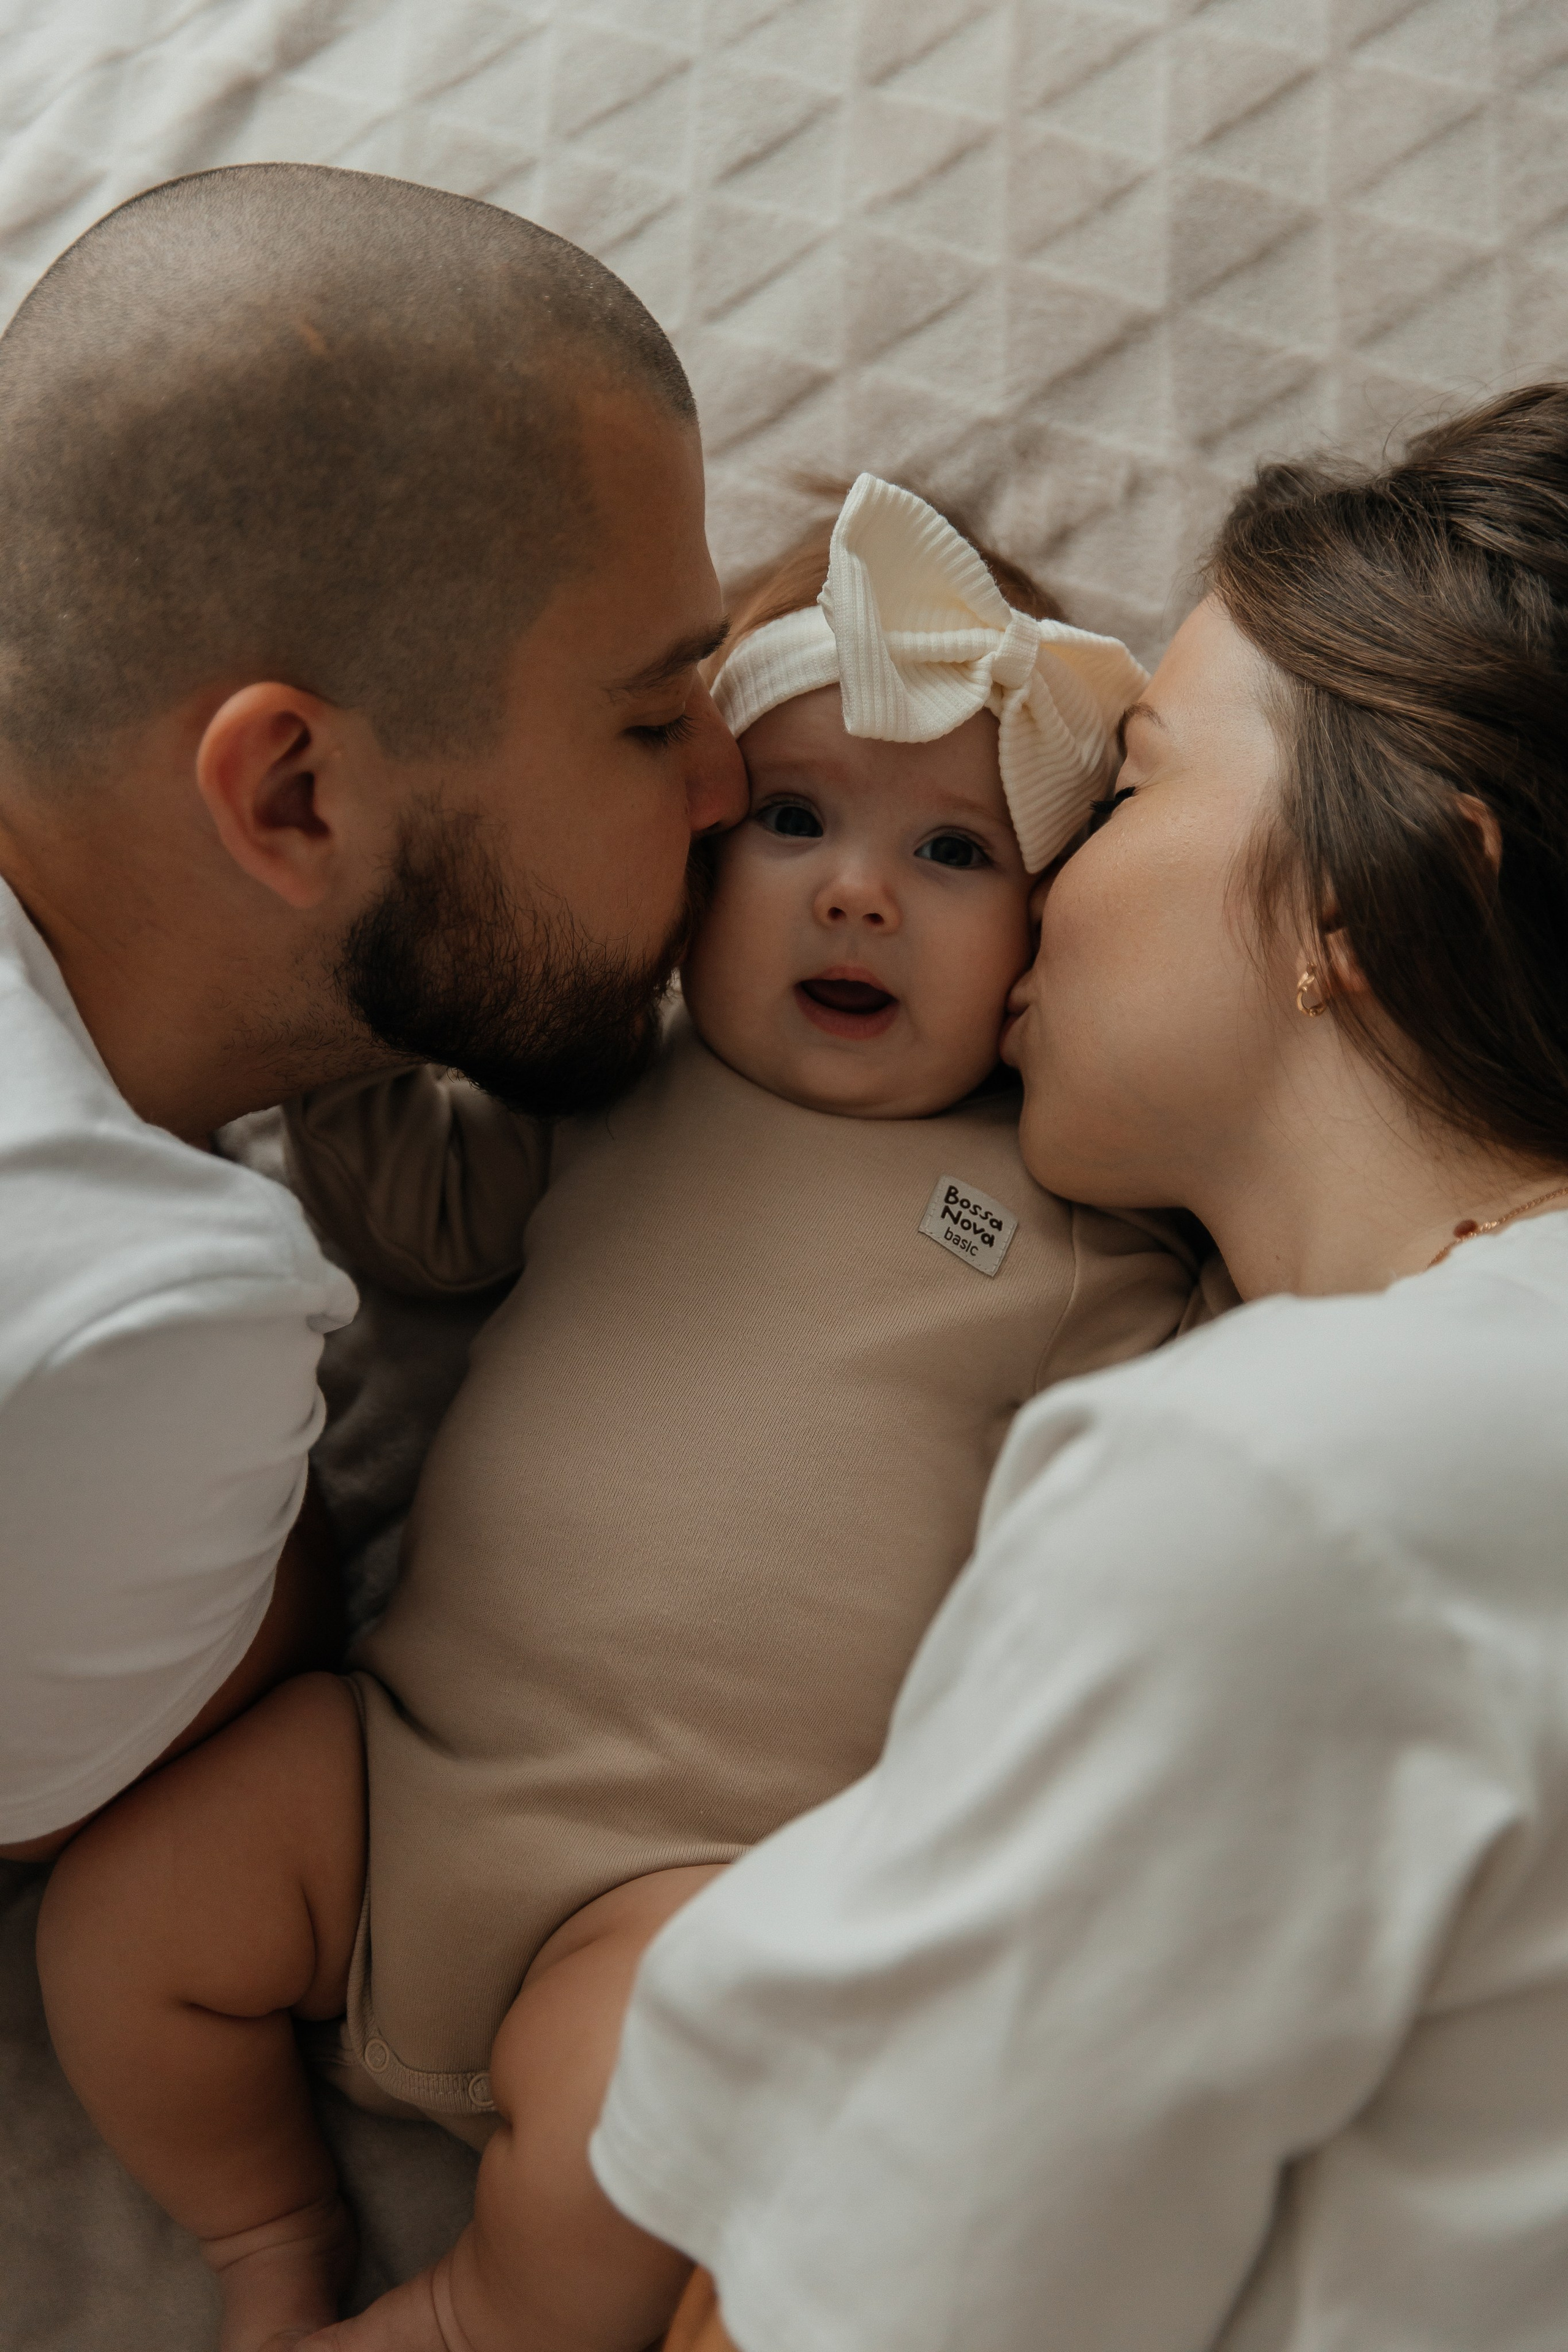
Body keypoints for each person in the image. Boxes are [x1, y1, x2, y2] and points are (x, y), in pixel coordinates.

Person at [34, 477, 1220, 2352]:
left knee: (630, 2131)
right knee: (119, 1918)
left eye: (954, 857)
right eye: (799, 821)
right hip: (402, 1771)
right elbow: (417, 1217)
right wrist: (348, 1035)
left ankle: (463, 2321)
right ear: (683, 872)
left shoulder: (1073, 1223)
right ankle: (264, 2238)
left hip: (700, 1890)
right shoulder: (606, 1082)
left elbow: (1153, 1500)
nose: (855, 889)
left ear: (1048, 946)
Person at [587, 383, 1568, 2352]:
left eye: (1126, 784)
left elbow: (843, 2316)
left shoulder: (1291, 1494)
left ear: (1370, 898)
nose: (1041, 877)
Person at [0, 161, 744, 1866]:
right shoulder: (132, 1316)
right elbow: (93, 1778)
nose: (731, 780)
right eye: (648, 720)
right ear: (295, 795)